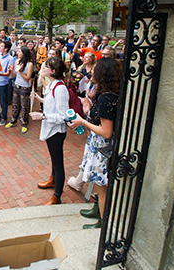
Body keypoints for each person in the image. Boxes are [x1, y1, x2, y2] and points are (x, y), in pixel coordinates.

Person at [67, 57, 121, 229]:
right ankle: (97, 210)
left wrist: (82, 121)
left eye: (95, 69)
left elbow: (106, 131)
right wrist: (87, 110)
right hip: (97, 145)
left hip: (101, 148)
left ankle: (103, 224)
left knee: (101, 189)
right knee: (97, 185)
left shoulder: (106, 99)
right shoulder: (107, 95)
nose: (91, 72)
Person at [30, 56, 69, 205]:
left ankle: (57, 196)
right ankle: (53, 181)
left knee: (58, 163)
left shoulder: (60, 89)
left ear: (53, 71)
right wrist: (40, 99)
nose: (43, 68)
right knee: (54, 160)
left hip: (56, 131)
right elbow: (52, 102)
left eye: (46, 67)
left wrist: (42, 116)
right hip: (51, 129)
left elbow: (63, 116)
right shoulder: (53, 85)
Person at [6, 46, 34, 133]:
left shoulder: (30, 64)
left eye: (20, 52)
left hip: (25, 87)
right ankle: (13, 120)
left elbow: (27, 78)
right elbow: (14, 76)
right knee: (15, 104)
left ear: (24, 53)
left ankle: (24, 123)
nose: (17, 53)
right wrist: (11, 70)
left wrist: (21, 71)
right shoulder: (17, 61)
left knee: (25, 106)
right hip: (17, 86)